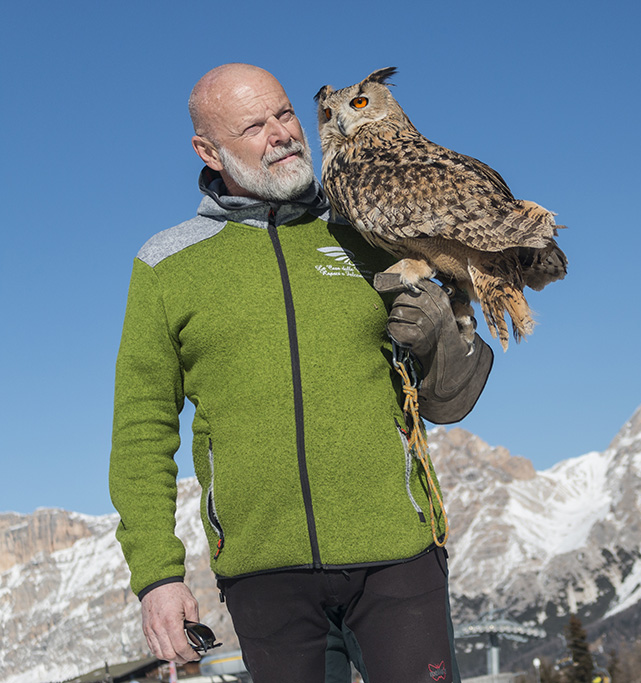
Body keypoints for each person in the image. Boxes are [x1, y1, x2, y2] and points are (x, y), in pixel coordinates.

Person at [109, 63, 492, 682]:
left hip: (400, 558)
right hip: (265, 576)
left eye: (284, 113)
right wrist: (157, 576)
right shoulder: (166, 264)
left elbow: (450, 400)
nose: (283, 133)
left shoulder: (371, 228)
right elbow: (140, 429)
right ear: (208, 149)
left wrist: (443, 337)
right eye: (254, 126)